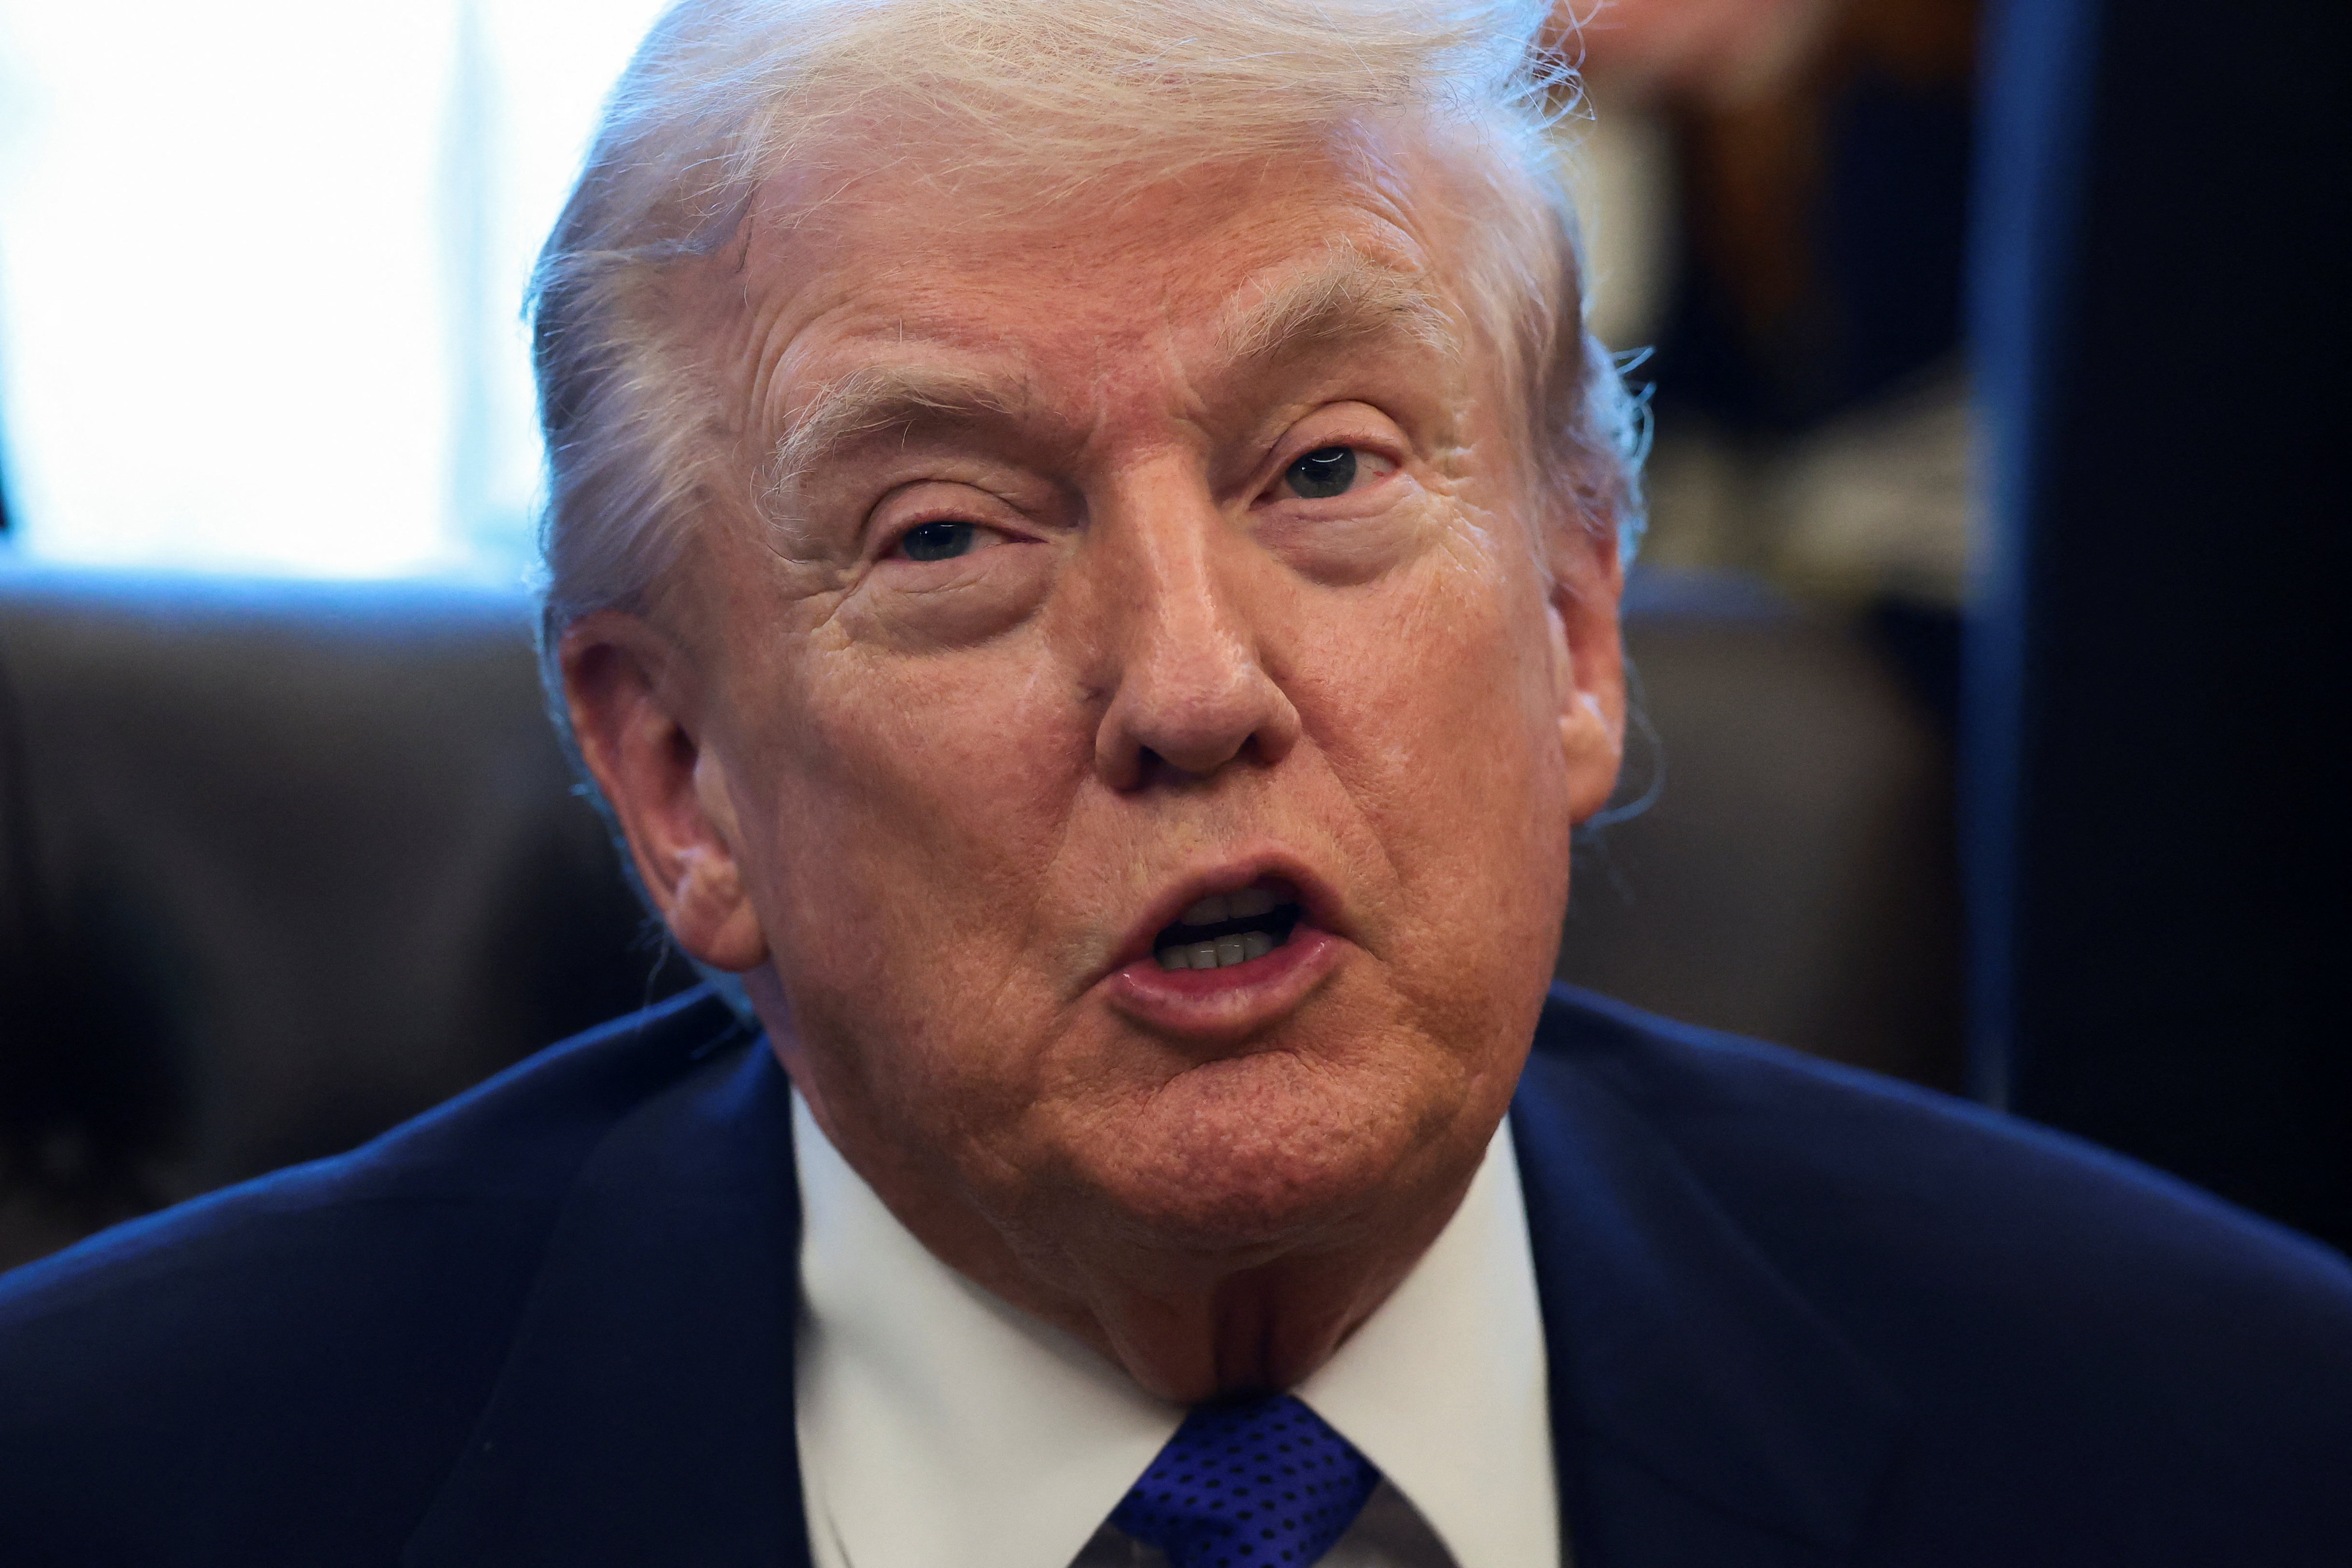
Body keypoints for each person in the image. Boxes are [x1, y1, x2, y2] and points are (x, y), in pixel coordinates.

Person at [1, 2, 2346, 1564]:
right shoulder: (120, 1482)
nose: (1193, 683)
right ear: (678, 770)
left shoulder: (2224, 1440)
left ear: (1572, 625)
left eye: (1325, 467)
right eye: (949, 533)